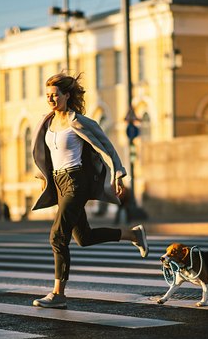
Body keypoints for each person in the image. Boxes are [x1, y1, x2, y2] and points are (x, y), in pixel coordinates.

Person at [30, 72, 149, 309]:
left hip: (76, 182)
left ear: (67, 95)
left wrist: (118, 171)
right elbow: (47, 154)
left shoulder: (79, 121)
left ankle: (58, 294)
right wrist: (45, 176)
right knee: (83, 238)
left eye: (55, 95)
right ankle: (134, 235)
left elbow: (106, 146)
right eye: (48, 96)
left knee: (57, 236)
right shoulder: (47, 122)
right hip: (59, 183)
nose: (51, 100)